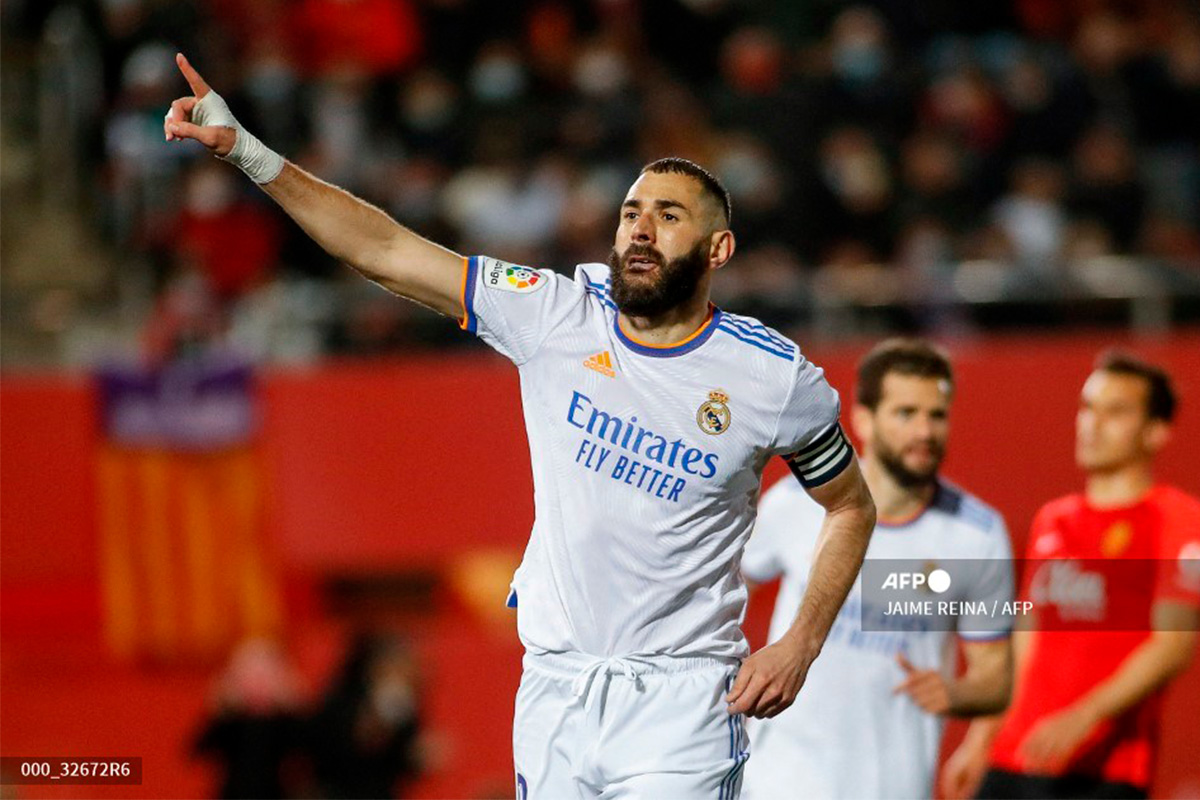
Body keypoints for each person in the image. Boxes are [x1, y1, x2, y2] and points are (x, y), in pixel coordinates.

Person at [164, 54, 877, 798]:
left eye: (668, 217)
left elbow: (851, 506)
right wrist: (248, 152)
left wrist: (800, 644)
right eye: (631, 212)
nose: (641, 230)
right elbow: (384, 251)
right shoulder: (556, 313)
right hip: (555, 688)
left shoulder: (772, 377)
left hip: (684, 702)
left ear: (718, 250)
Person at [740, 339, 1015, 800]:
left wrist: (955, 693)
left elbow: (996, 681)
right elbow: (723, 588)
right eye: (906, 413)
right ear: (864, 420)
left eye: (937, 415)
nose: (925, 431)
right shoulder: (794, 504)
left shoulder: (977, 535)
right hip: (777, 782)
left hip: (894, 785)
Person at [943, 352, 1200, 800]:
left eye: (1116, 411)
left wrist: (1085, 716)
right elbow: (1027, 637)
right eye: (1087, 407)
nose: (1092, 424)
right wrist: (981, 738)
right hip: (1014, 756)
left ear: (1156, 431)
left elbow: (1173, 644)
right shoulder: (1052, 519)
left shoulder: (1180, 520)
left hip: (1103, 767)